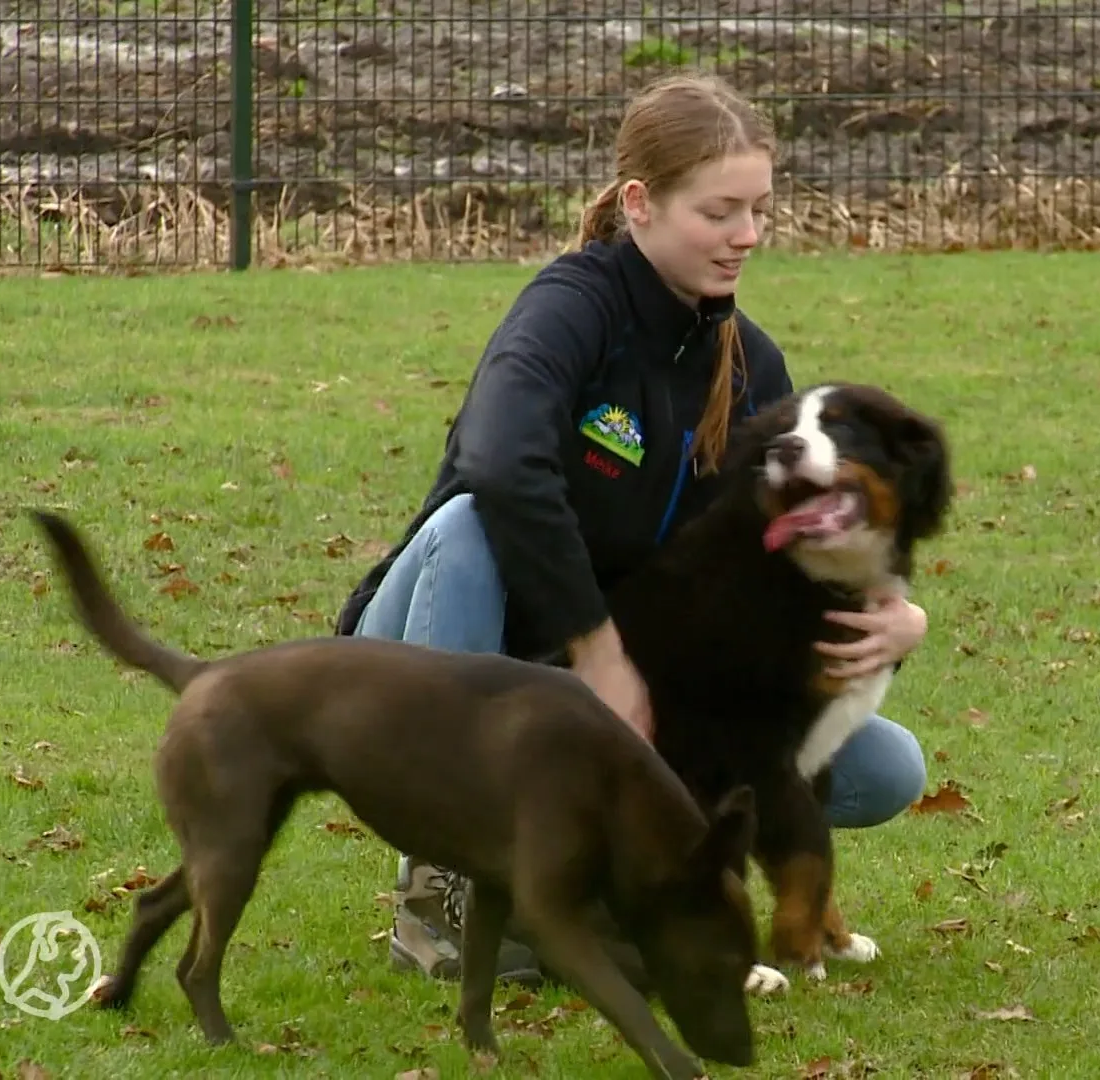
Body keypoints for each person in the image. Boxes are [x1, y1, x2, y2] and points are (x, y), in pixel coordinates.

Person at [332, 73, 933, 985]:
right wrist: (600, 651)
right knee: (468, 525)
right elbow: (498, 465)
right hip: (426, 658)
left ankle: (590, 884)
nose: (747, 236)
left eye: (759, 210)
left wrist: (897, 620)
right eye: (720, 211)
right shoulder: (573, 308)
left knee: (883, 768)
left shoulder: (752, 360)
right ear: (641, 205)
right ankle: (440, 892)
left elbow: (774, 554)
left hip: (604, 683)